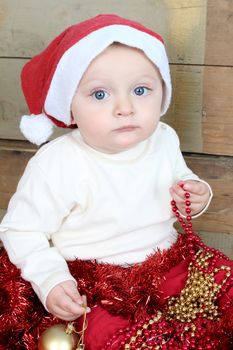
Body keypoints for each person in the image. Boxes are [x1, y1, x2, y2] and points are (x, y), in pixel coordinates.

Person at [0, 14, 232, 350]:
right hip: (91, 281)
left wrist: (196, 193)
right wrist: (51, 279)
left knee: (224, 287)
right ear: (70, 106)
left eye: (141, 90)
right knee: (117, 338)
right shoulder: (58, 163)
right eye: (99, 95)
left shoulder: (163, 138)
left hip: (167, 261)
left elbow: (180, 178)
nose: (125, 107)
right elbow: (21, 230)